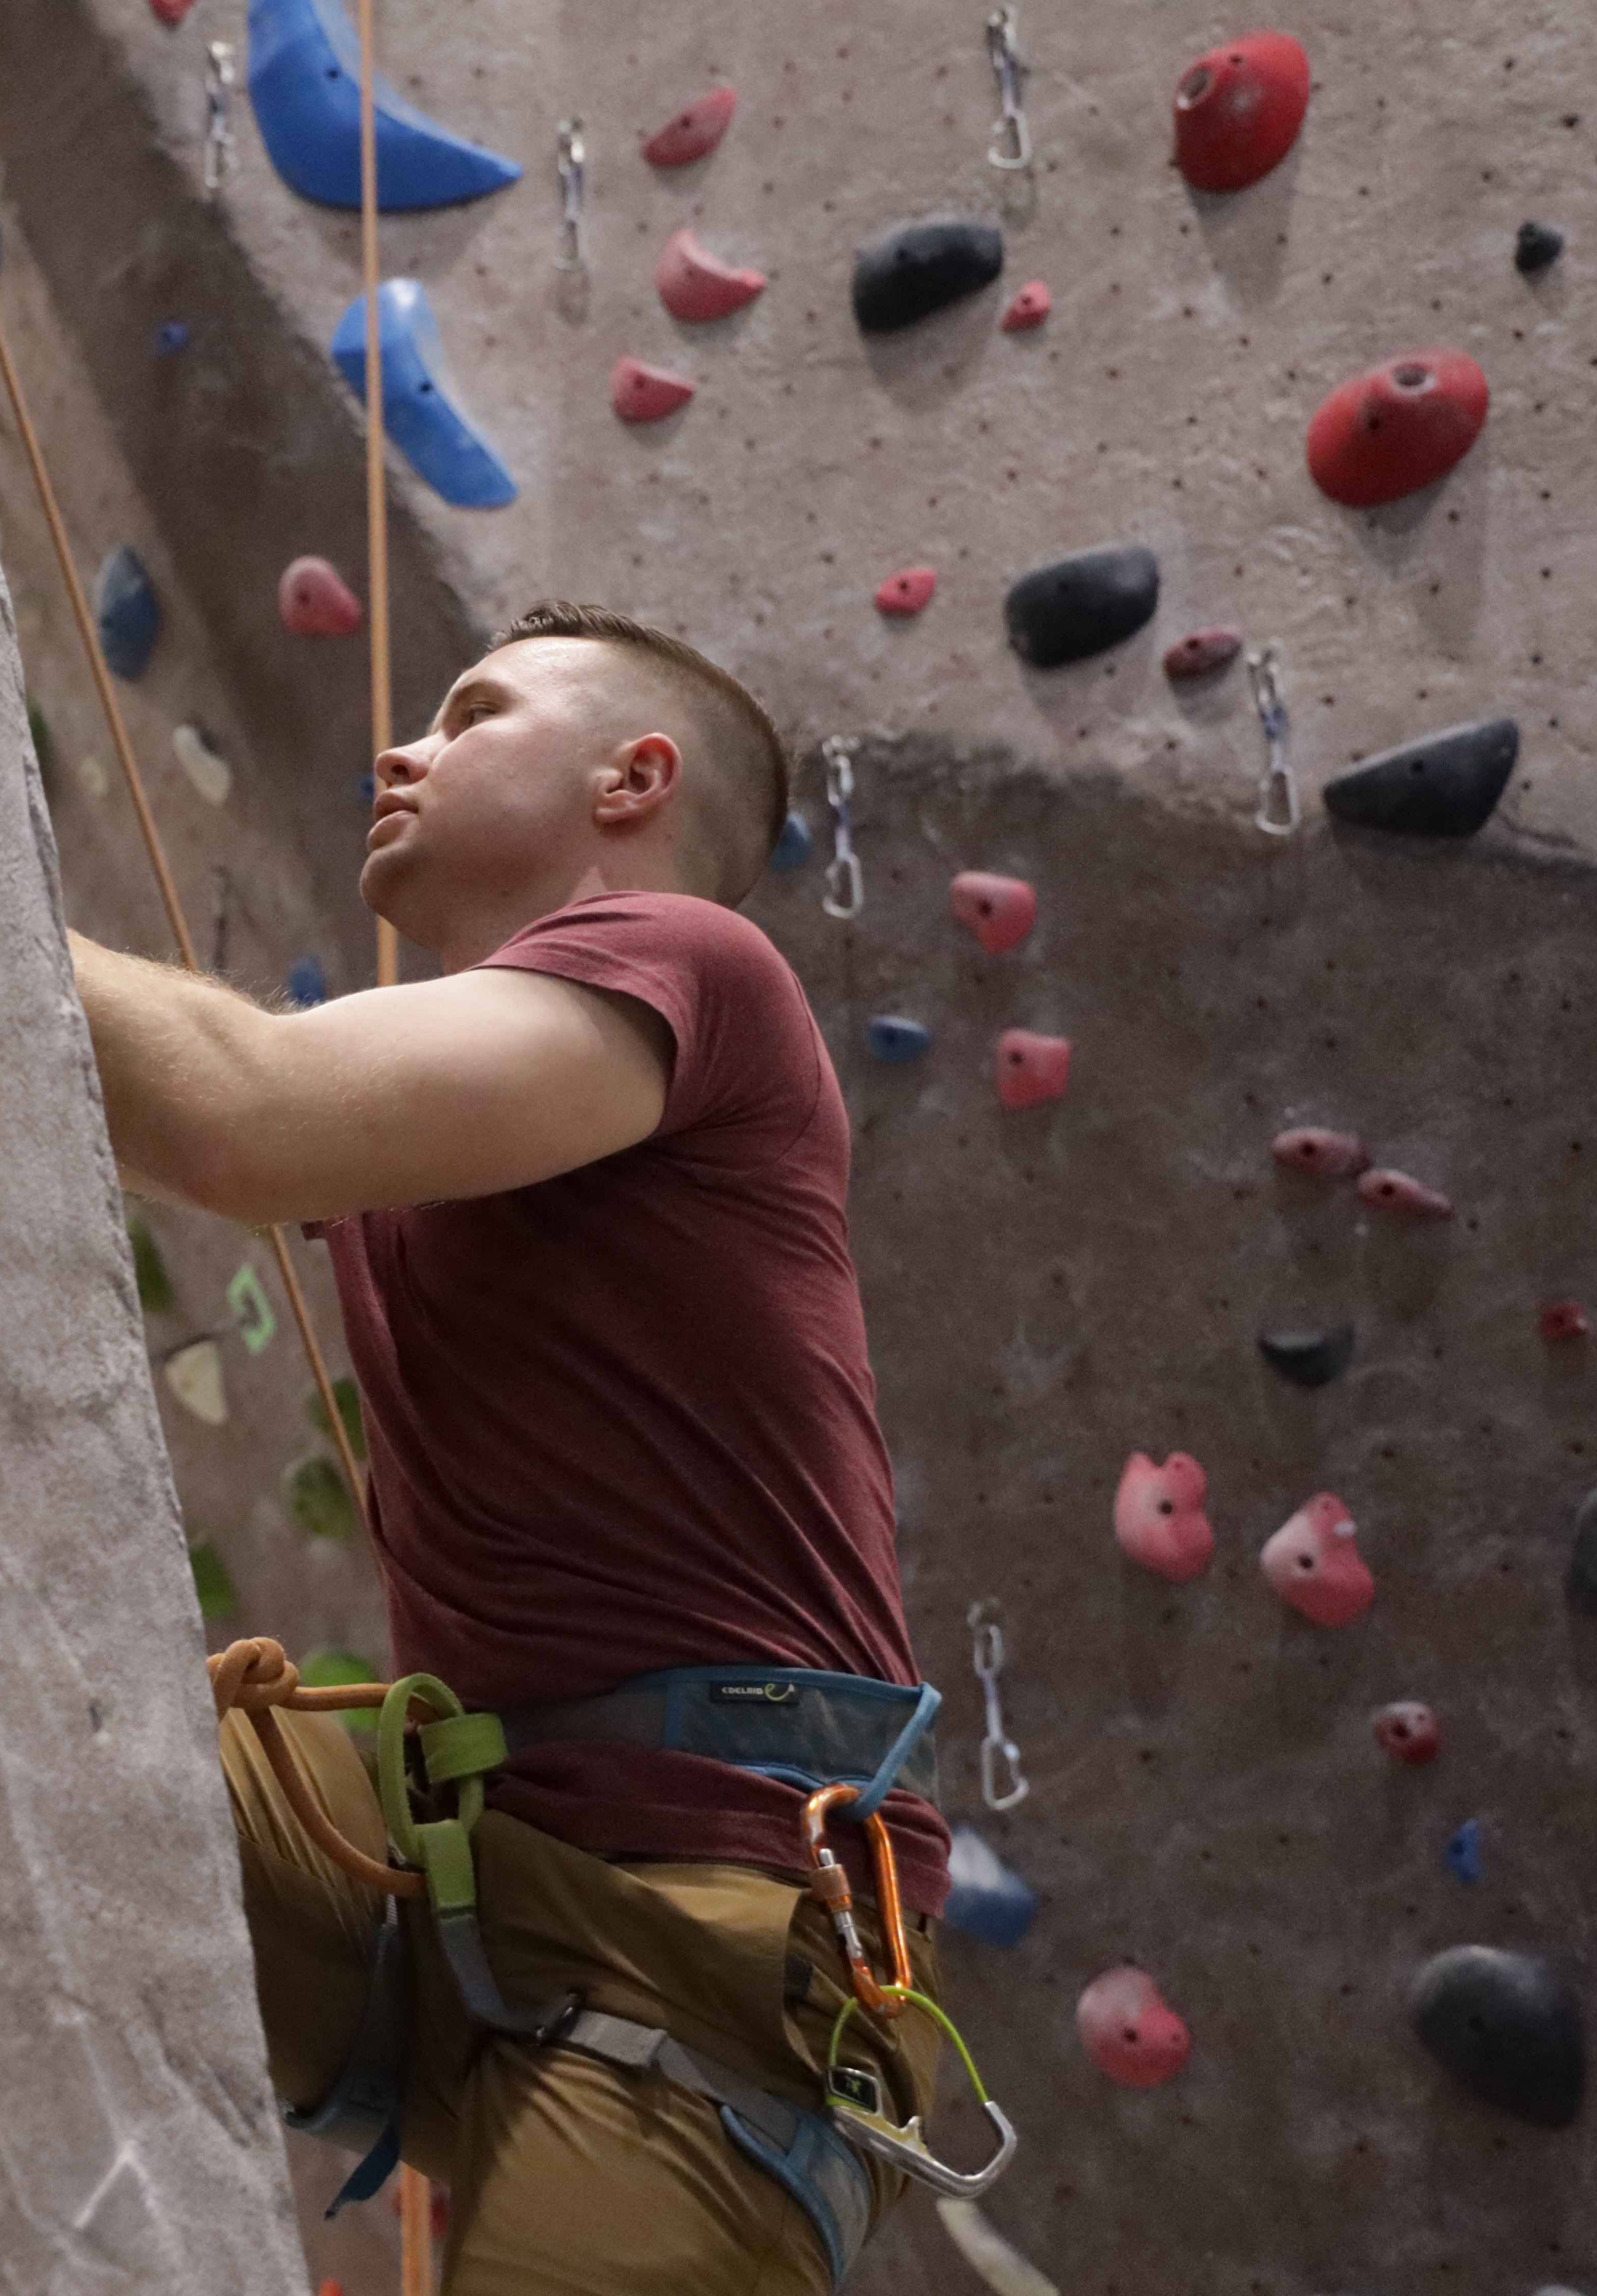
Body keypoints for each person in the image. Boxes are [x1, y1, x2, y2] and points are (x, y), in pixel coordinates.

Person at [69, 604, 959, 2293]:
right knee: (42, 1703)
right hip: (465, 1867)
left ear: (636, 777)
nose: (398, 751)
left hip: (719, 1921)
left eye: (472, 714)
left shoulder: (703, 969)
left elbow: (237, 1111)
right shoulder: (478, 1106)